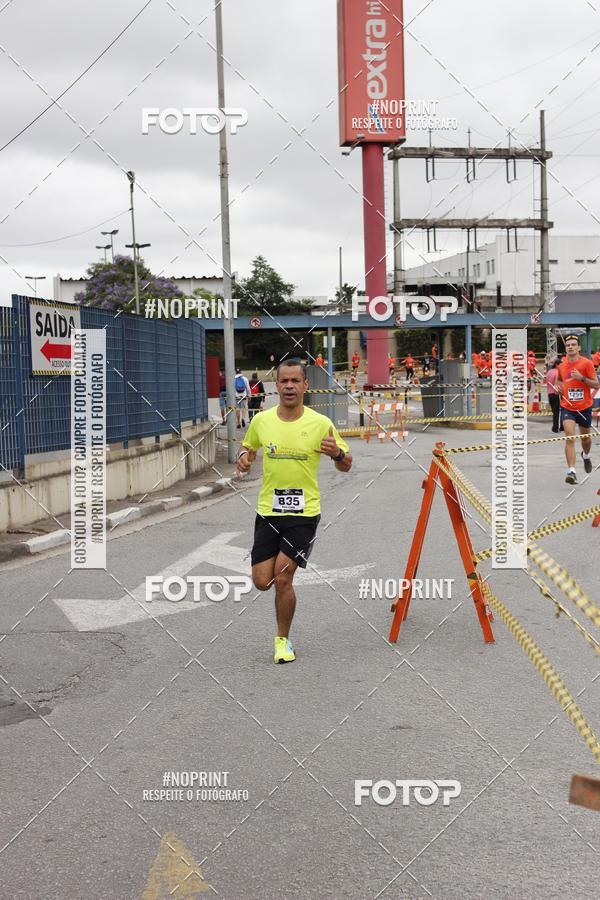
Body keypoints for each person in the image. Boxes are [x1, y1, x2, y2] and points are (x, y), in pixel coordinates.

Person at [237, 360, 352, 664]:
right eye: (283, 381)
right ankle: (277, 580)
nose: (289, 386)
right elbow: (247, 448)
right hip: (268, 511)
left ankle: (282, 641)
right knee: (262, 581)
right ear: (277, 386)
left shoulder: (320, 423)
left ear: (305, 386)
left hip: (304, 514)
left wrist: (338, 453)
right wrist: (243, 458)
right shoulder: (261, 421)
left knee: (284, 579)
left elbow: (346, 465)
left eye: (294, 381)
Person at [556, 334, 599, 483]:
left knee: (585, 439)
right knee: (570, 436)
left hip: (585, 406)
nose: (570, 347)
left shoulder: (586, 363)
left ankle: (586, 455)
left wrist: (581, 378)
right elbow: (559, 380)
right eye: (568, 345)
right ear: (566, 348)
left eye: (573, 344)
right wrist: (558, 388)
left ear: (578, 347)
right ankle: (571, 471)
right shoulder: (561, 365)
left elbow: (596, 384)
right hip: (568, 407)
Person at [544, 358, 563, 433]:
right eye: (560, 365)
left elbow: (547, 382)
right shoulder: (558, 372)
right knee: (559, 411)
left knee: (555, 412)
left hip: (550, 394)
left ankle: (557, 427)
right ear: (556, 365)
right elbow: (556, 384)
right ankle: (557, 427)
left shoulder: (549, 372)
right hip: (556, 394)